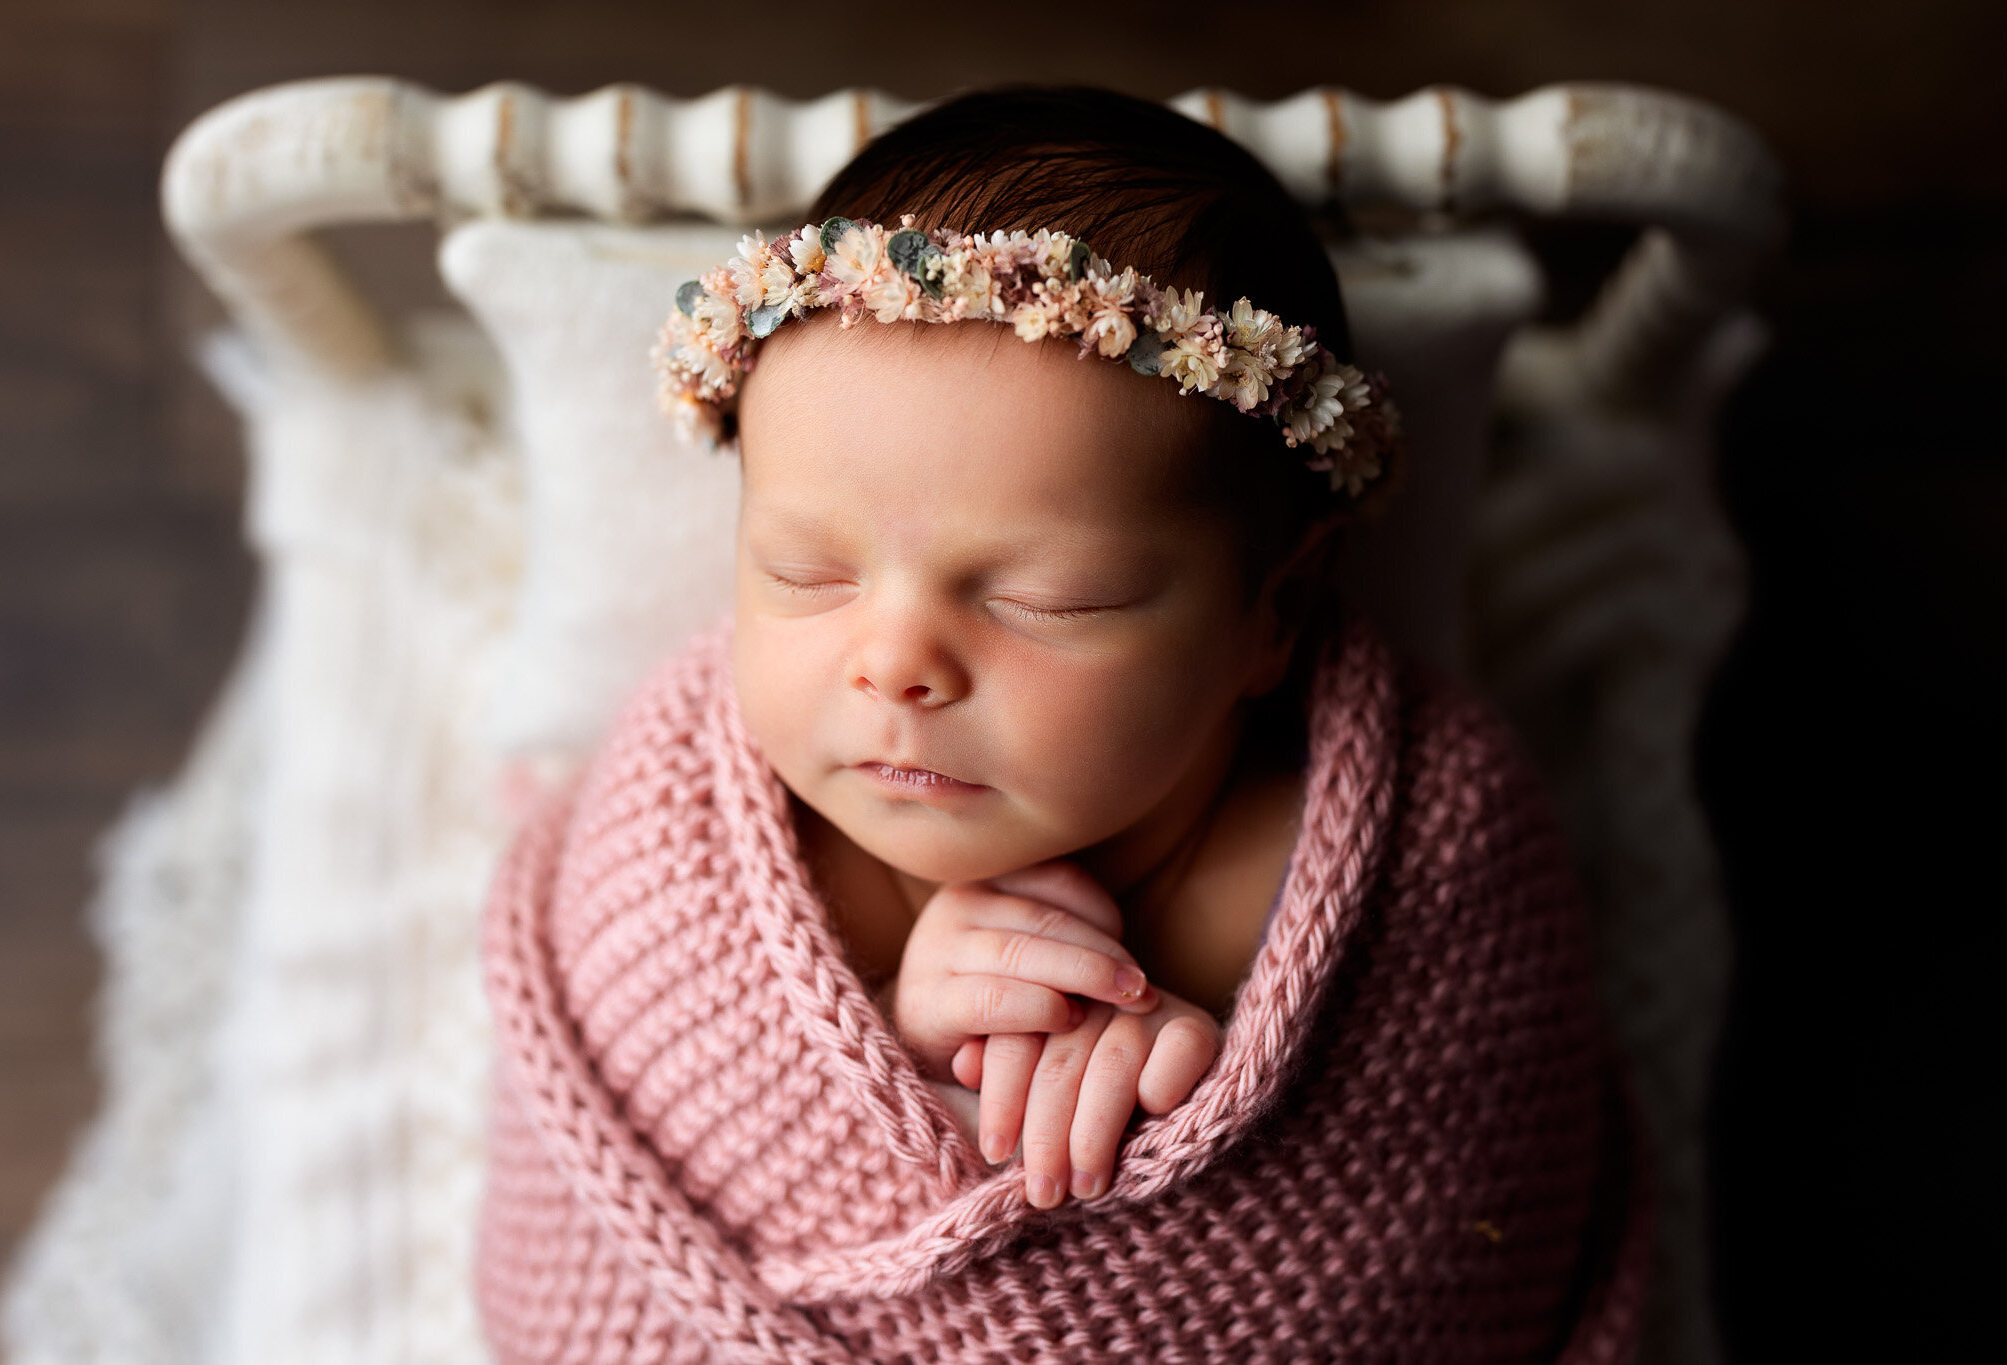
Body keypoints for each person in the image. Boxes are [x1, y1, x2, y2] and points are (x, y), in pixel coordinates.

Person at [476, 85, 1649, 1364]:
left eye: (1045, 600)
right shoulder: (702, 842)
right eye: (805, 572)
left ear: (1274, 613)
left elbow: (1443, 1196)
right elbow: (678, 1069)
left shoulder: (1420, 852)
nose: (894, 663)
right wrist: (907, 1034)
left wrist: (1171, 1083)